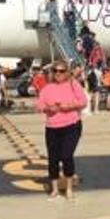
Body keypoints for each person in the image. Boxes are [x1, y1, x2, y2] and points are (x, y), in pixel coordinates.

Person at [36, 60, 86, 201]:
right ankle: (55, 189)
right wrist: (47, 108)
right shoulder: (47, 88)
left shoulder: (73, 84)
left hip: (71, 125)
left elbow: (83, 101)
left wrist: (68, 106)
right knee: (53, 159)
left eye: (62, 71)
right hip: (52, 127)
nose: (58, 74)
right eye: (55, 71)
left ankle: (69, 188)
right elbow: (39, 104)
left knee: (66, 155)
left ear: (67, 72)